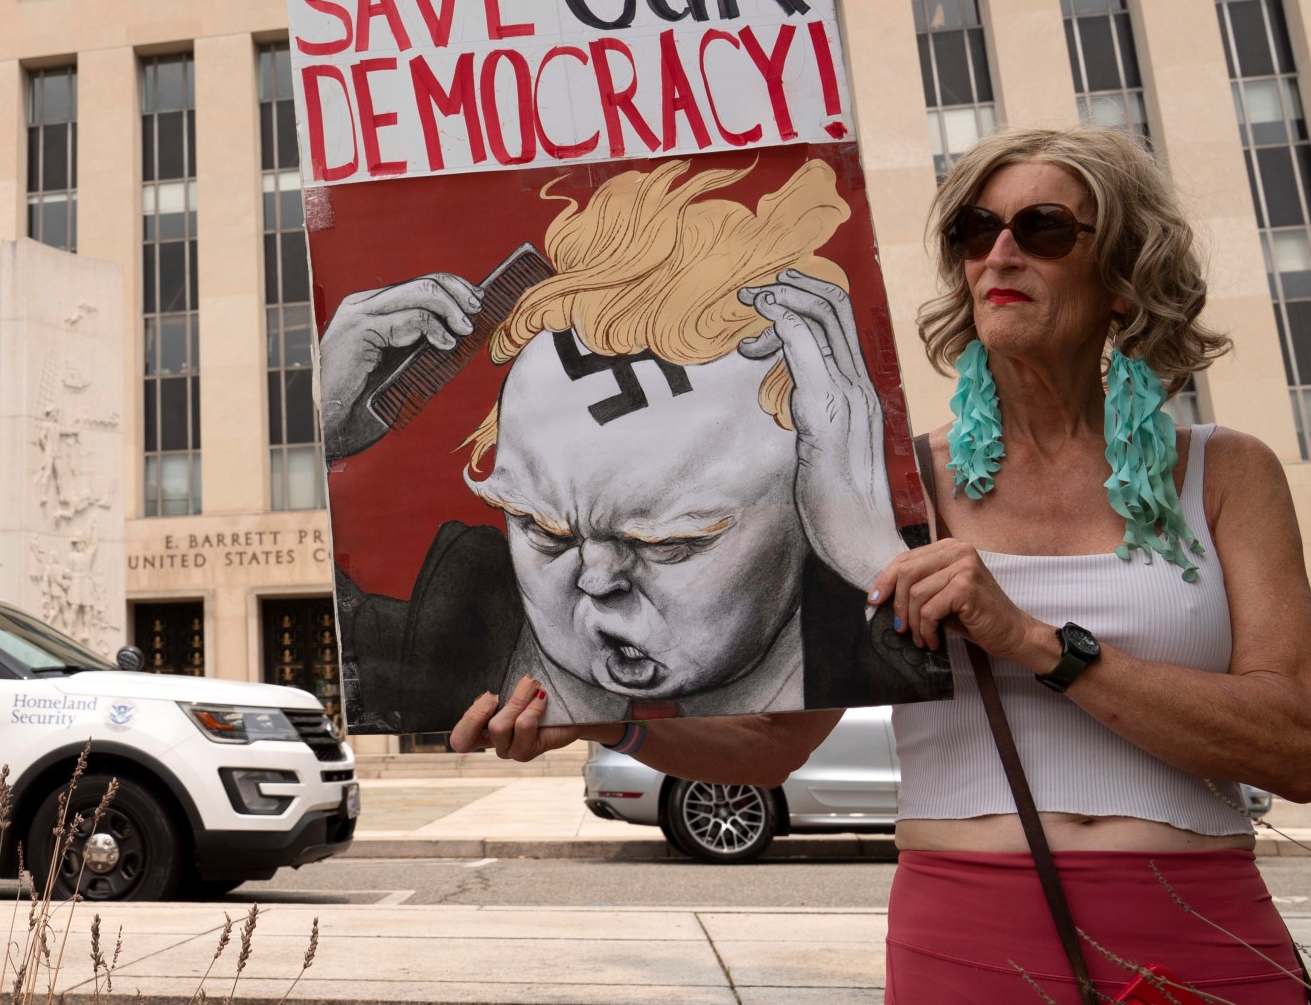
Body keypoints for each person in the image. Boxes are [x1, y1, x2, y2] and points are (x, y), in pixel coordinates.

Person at [451, 125, 1311, 1003]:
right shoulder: (891, 489)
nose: (999, 255)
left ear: (1123, 279)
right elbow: (772, 748)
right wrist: (600, 722)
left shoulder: (1226, 472)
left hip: (1200, 926)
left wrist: (1034, 642)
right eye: (973, 233)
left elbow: (1296, 750)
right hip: (968, 935)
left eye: (1044, 230)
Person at [328, 155, 946, 731]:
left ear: (810, 499)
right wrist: (327, 433)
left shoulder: (873, 630)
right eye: (543, 530)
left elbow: (977, 678)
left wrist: (871, 560)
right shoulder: (434, 651)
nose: (597, 582)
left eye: (669, 543)